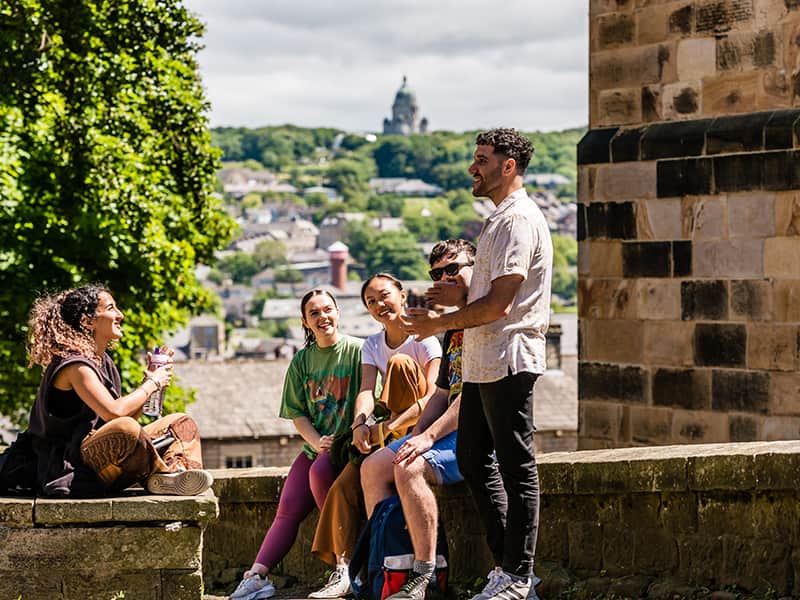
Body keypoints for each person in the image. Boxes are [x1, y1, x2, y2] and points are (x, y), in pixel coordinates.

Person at [403, 128, 552, 600]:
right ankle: (508, 569)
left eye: (482, 159)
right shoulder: (499, 219)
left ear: (508, 166)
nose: (474, 167)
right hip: (484, 363)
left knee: (516, 466)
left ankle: (518, 575)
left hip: (508, 356)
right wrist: (461, 295)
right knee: (471, 458)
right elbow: (486, 297)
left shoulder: (516, 220)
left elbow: (500, 307)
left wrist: (439, 323)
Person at [308, 273, 441, 599]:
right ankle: (351, 568)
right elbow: (366, 391)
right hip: (388, 428)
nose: (379, 305)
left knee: (399, 364)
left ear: (402, 295)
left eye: (384, 296)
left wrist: (390, 426)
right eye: (371, 301)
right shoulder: (372, 343)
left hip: (420, 426)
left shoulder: (425, 340)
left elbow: (434, 396)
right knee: (342, 487)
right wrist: (360, 425)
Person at [360, 239, 475, 600]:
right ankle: (389, 566)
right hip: (440, 428)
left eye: (453, 269)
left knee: (408, 468)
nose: (444, 278)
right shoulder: (453, 330)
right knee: (373, 468)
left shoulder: (471, 326)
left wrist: (421, 438)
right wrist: (412, 433)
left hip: (471, 431)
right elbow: (441, 394)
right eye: (438, 273)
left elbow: (469, 399)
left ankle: (423, 576)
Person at [230, 289, 363, 600]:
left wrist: (344, 438)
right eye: (314, 313)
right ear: (305, 321)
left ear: (338, 312)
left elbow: (371, 398)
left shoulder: (358, 350)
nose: (322, 317)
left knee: (320, 473)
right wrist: (317, 442)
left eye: (327, 310)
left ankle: (346, 566)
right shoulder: (302, 360)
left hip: (349, 447)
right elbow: (298, 414)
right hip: (317, 447)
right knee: (287, 508)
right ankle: (257, 576)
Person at [23, 284, 213, 498]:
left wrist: (149, 381)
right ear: (88, 321)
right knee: (125, 428)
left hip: (101, 457)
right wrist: (152, 383)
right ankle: (164, 475)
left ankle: (179, 474)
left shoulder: (103, 362)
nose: (120, 315)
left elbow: (127, 416)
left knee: (180, 422)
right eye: (111, 308)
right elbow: (114, 414)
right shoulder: (74, 366)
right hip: (72, 469)